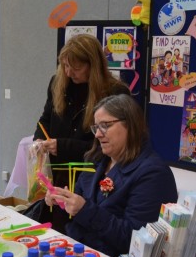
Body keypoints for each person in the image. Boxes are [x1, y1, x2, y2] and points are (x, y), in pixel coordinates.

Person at [45, 94, 178, 257]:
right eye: (96, 128)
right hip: (78, 250)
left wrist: (84, 209)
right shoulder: (95, 158)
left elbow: (136, 241)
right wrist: (62, 200)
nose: (97, 135)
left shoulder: (153, 174)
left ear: (130, 124)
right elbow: (78, 210)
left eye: (105, 125)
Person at [33, 34, 130, 233]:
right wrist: (38, 140)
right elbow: (45, 119)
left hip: (93, 178)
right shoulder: (57, 82)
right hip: (59, 173)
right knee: (54, 229)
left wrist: (63, 146)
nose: (69, 73)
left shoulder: (114, 92)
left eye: (76, 68)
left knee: (79, 232)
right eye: (65, 66)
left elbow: (110, 146)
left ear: (93, 65)